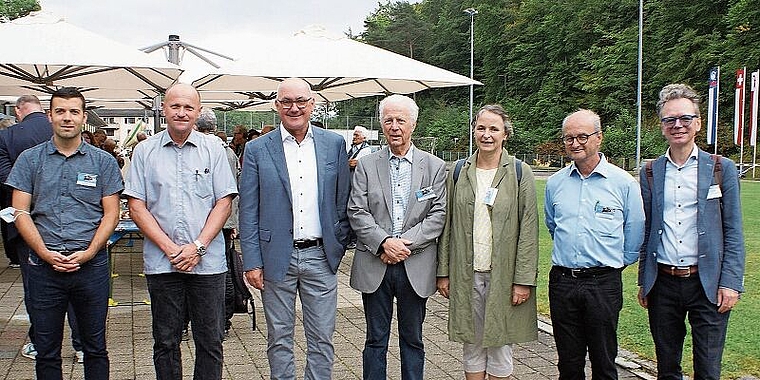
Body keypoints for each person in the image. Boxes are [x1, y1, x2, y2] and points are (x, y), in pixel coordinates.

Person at [6, 87, 123, 379]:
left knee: (95, 348)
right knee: (47, 351)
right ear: (50, 117)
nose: (67, 118)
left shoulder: (103, 162)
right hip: (44, 267)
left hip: (91, 265)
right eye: (60, 111)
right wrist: (45, 253)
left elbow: (112, 213)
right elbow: (20, 211)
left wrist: (91, 251)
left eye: (74, 112)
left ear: (84, 117)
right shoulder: (30, 160)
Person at [239, 78, 350, 380]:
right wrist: (251, 261)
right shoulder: (257, 149)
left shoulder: (334, 144)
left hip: (320, 256)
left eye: (301, 100)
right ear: (276, 106)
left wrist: (337, 245)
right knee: (279, 339)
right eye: (286, 101)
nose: (294, 107)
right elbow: (247, 211)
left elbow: (342, 200)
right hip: (276, 259)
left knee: (322, 339)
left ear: (313, 104)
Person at [125, 83, 238, 380]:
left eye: (189, 107)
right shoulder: (144, 151)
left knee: (210, 341)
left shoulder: (214, 150)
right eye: (175, 106)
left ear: (198, 112)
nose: (182, 112)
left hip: (207, 263)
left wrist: (197, 246)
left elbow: (223, 203)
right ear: (164, 109)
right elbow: (137, 206)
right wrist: (171, 249)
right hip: (163, 264)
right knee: (165, 341)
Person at [638, 83, 745, 380]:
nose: (678, 125)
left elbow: (733, 231)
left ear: (697, 123)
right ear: (661, 127)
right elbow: (648, 230)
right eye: (669, 120)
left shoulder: (722, 168)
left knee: (708, 369)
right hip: (663, 284)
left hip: (708, 284)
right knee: (667, 368)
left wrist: (731, 283)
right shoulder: (650, 171)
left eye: (685, 118)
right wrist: (644, 281)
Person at [348, 94, 446, 380]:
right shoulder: (366, 164)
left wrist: (403, 245)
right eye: (388, 120)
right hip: (376, 263)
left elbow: (437, 215)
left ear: (413, 125)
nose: (394, 126)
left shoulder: (434, 167)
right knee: (375, 339)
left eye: (400, 120)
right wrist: (383, 242)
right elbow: (357, 210)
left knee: (413, 340)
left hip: (414, 264)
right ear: (381, 123)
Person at [437, 105, 538, 380]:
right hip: (466, 273)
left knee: (500, 343)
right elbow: (447, 226)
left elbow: (529, 229)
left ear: (506, 133)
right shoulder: (458, 171)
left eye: (494, 129)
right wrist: (443, 273)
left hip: (503, 275)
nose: (487, 134)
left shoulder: (519, 172)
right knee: (472, 341)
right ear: (473, 131)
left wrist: (523, 280)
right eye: (481, 128)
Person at [544, 109, 645, 379]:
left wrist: (611, 264)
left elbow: (634, 232)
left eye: (582, 136)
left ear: (599, 138)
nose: (575, 143)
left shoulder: (623, 183)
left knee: (604, 360)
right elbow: (553, 225)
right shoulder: (555, 183)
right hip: (563, 282)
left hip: (603, 283)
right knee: (568, 362)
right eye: (569, 138)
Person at [195, 107, 241, 338]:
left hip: (205, 222)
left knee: (214, 273)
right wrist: (233, 221)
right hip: (225, 222)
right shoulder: (229, 152)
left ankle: (206, 321)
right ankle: (223, 320)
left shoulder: (202, 149)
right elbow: (236, 189)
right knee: (223, 270)